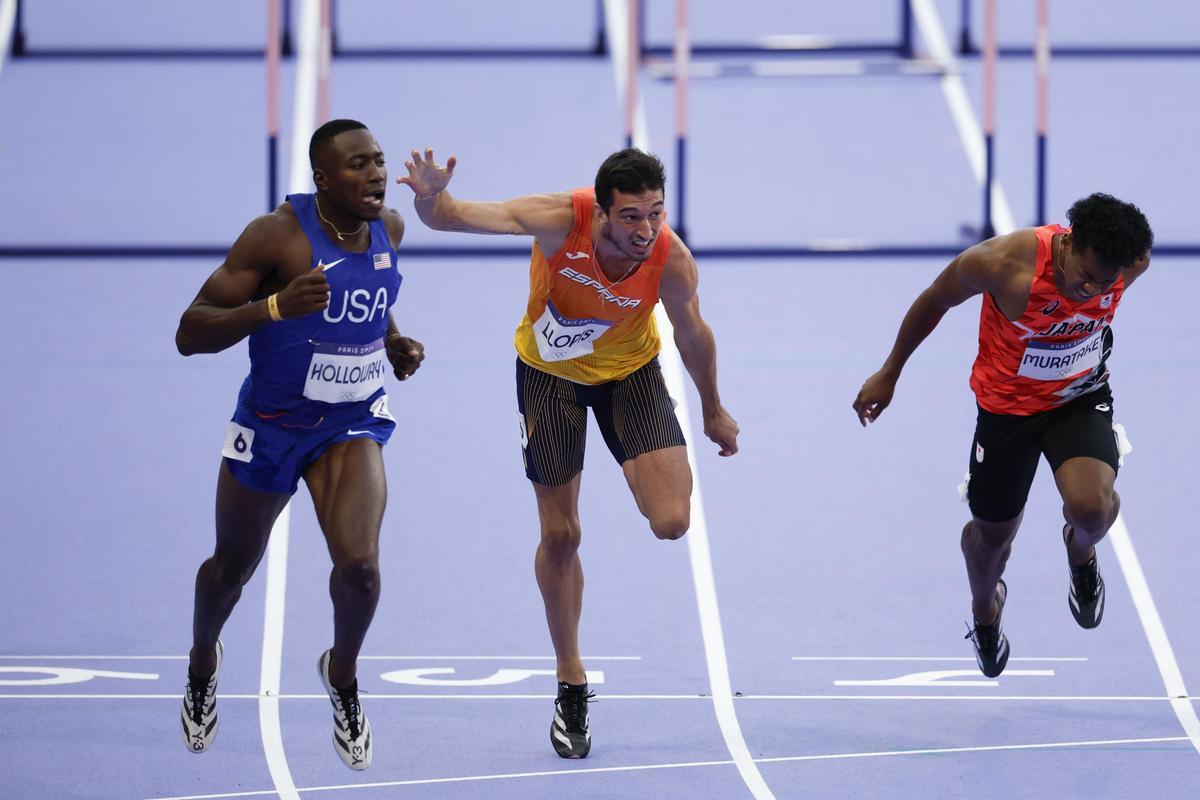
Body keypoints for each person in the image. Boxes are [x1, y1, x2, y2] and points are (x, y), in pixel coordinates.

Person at [396, 146, 739, 758]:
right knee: (561, 536)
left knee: (672, 521)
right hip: (548, 374)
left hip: (629, 374)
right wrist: (428, 193)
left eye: (656, 213)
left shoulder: (670, 259)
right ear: (601, 212)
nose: (646, 229)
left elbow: (693, 333)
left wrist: (712, 407)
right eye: (631, 216)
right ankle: (570, 680)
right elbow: (451, 217)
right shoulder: (558, 219)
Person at [175, 119, 425, 770]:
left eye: (379, 162)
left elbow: (368, 300)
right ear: (322, 178)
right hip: (268, 426)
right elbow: (190, 331)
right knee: (230, 569)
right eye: (358, 166)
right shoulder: (276, 237)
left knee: (362, 568)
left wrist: (390, 340)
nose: (375, 175)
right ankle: (203, 662)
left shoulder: (389, 230)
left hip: (349, 424)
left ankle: (341, 677)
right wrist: (275, 308)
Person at [853, 193, 1153, 677]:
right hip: (1006, 411)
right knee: (992, 541)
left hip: (1078, 398)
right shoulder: (1001, 264)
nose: (1091, 289)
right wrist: (890, 372)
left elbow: (1108, 278)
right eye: (1086, 274)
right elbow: (935, 299)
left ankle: (1081, 556)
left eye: (1104, 282)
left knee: (1092, 507)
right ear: (1069, 242)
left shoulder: (1130, 263)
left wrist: (1102, 282)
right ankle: (985, 610)